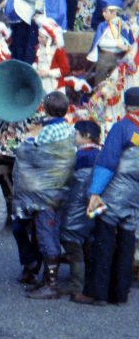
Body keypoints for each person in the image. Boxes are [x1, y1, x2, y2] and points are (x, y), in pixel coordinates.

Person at [75, 86, 139, 305]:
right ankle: (120, 294)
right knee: (127, 243)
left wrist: (95, 192)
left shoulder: (123, 127)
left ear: (125, 104)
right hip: (135, 197)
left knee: (102, 240)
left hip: (113, 194)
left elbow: (108, 161)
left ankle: (96, 293)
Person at [11, 91, 76, 300]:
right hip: (59, 190)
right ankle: (44, 278)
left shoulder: (47, 132)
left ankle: (51, 284)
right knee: (48, 231)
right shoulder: (69, 128)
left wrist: (27, 140)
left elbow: (34, 153)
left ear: (46, 109)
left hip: (44, 194)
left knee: (45, 234)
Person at [59, 120, 102, 301]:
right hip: (93, 207)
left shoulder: (81, 157)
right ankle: (83, 280)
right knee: (85, 243)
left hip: (76, 209)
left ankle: (76, 284)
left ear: (86, 136)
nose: (73, 137)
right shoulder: (100, 154)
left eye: (76, 134)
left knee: (72, 244)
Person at [86, 0, 134, 85]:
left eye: (106, 12)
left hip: (119, 57)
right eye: (103, 11)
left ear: (114, 12)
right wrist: (116, 44)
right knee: (100, 82)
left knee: (116, 82)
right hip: (104, 57)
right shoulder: (103, 26)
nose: (103, 14)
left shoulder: (123, 25)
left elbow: (127, 39)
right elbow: (100, 42)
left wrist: (127, 46)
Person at [33, 17, 69, 95]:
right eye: (39, 36)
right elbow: (37, 61)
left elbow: (65, 69)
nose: (38, 39)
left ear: (49, 38)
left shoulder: (58, 51)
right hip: (40, 80)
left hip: (53, 83)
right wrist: (34, 68)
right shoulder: (39, 48)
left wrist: (48, 73)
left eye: (41, 37)